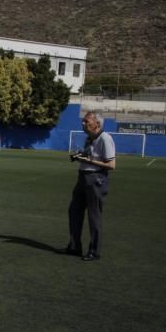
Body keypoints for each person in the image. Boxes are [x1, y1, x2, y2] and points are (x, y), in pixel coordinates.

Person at [66, 112, 116, 261]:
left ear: (97, 124)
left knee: (94, 215)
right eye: (82, 121)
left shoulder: (105, 138)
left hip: (96, 179)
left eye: (86, 121)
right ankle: (74, 246)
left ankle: (94, 251)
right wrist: (79, 156)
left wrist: (88, 160)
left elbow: (111, 165)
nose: (83, 124)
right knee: (74, 211)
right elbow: (89, 155)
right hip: (82, 178)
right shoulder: (89, 138)